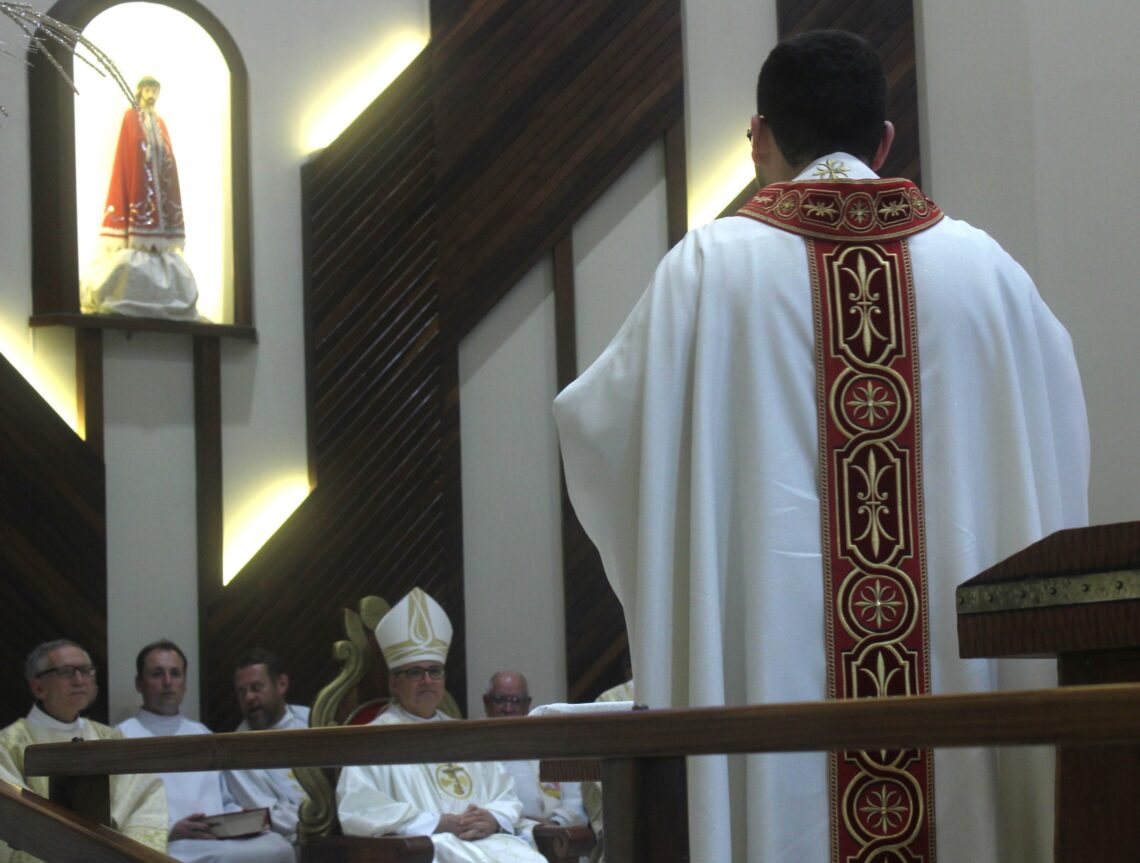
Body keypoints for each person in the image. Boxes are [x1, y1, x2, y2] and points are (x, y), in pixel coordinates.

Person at [553, 28, 1090, 863]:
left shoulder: (705, 275)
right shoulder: (990, 276)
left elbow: (599, 431)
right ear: (885, 140)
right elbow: (1051, 445)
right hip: (960, 719)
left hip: (775, 722)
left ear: (759, 137)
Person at [336, 588, 545, 862]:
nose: (427, 680)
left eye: (434, 671)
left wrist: (492, 818)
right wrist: (439, 823)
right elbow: (360, 811)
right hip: (427, 848)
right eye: (414, 672)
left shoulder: (465, 736)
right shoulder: (372, 742)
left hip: (488, 841)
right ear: (393, 683)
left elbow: (504, 793)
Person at [116, 640, 295, 863]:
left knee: (279, 847)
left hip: (216, 837)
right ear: (139, 684)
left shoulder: (203, 734)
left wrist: (238, 820)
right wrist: (172, 829)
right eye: (157, 674)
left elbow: (225, 799)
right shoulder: (120, 738)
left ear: (185, 683)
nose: (168, 682)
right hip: (166, 843)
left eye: (176, 673)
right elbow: (117, 815)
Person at [0, 640, 168, 862]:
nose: (79, 680)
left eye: (86, 671)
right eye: (66, 672)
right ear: (38, 687)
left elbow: (145, 798)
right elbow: (14, 821)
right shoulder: (8, 745)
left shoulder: (110, 739)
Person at [80, 75, 199, 319]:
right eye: (148, 90)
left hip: (158, 185)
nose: (151, 95)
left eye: (155, 90)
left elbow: (167, 155)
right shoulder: (131, 118)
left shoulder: (160, 122)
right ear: (140, 91)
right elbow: (130, 150)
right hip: (140, 183)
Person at [483, 671, 588, 838]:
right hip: (500, 837)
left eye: (516, 701)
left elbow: (575, 802)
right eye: (499, 700)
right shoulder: (474, 750)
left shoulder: (551, 745)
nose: (508, 708)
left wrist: (555, 824)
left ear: (528, 704)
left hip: (554, 835)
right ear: (486, 703)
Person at [224, 648, 311, 843]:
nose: (249, 698)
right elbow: (266, 815)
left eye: (256, 687)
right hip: (295, 841)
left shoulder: (313, 721)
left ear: (281, 684)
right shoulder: (236, 752)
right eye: (242, 691)